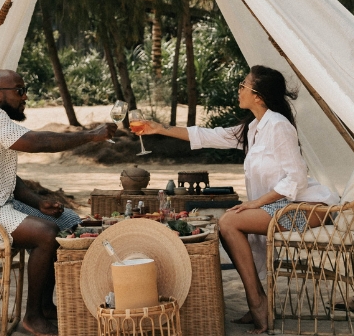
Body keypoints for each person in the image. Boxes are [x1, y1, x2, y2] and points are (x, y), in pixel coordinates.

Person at [136, 65, 339, 334]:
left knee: (230, 221)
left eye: (244, 85)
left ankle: (257, 303)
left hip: (308, 207)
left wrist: (257, 203)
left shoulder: (278, 126)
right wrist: (159, 128)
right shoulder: (255, 127)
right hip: (283, 205)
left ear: (258, 95)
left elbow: (296, 179)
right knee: (227, 222)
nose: (239, 89)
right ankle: (257, 300)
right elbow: (210, 135)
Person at [0, 69, 117, 336]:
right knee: (46, 234)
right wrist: (90, 136)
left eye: (24, 90)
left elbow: (7, 178)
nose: (24, 96)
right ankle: (32, 317)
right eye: (19, 91)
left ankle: (47, 306)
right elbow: (39, 142)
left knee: (68, 221)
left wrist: (38, 203)